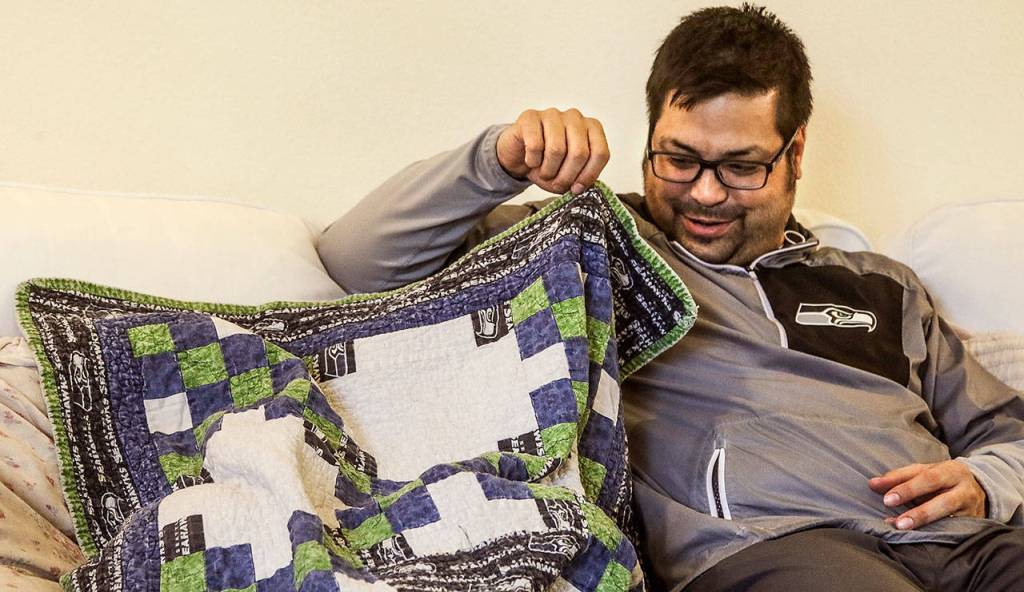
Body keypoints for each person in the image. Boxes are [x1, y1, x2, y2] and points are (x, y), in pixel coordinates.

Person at [317, 5, 1024, 591]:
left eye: (741, 167)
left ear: (796, 154)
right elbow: (359, 262)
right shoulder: (592, 246)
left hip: (964, 544)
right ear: (649, 136)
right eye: (680, 159)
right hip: (773, 551)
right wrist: (497, 159)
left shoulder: (883, 284)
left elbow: (1008, 430)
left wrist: (986, 480)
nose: (706, 194)